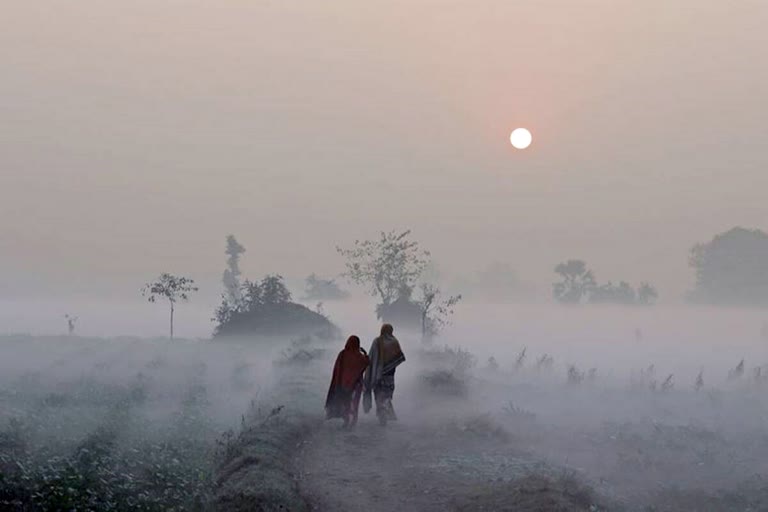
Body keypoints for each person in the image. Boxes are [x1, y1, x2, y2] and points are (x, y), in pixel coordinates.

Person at [363, 324, 406, 426]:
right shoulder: (394, 342)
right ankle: (385, 413)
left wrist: (374, 369)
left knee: (379, 395)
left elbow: (372, 357)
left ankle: (382, 416)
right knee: (387, 396)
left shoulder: (377, 341)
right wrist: (390, 366)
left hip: (378, 375)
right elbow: (398, 358)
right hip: (390, 375)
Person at [325, 335, 370, 428]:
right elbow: (367, 363)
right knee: (354, 403)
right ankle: (353, 421)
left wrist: (336, 381)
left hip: (343, 384)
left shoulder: (342, 354)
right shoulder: (359, 356)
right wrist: (365, 353)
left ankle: (346, 420)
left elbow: (337, 368)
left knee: (345, 402)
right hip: (356, 385)